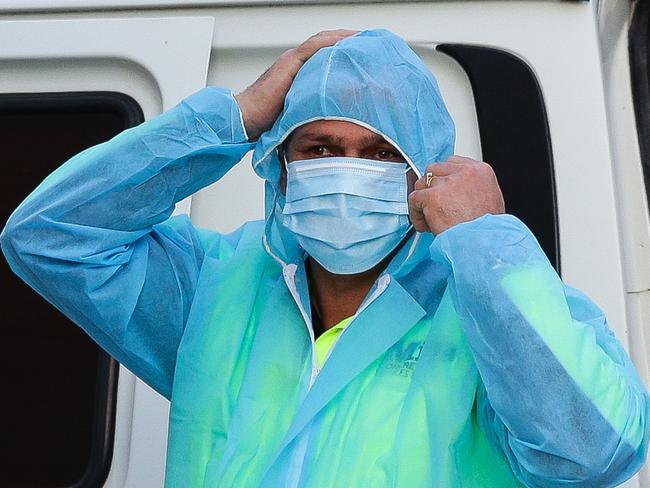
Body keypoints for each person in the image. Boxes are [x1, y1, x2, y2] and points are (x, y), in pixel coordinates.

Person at [1, 29, 648, 487]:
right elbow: (50, 234)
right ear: (278, 164)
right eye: (319, 148)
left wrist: (483, 239)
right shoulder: (216, 290)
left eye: (381, 153)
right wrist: (232, 118)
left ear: (424, 170)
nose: (347, 171)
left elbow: (590, 454)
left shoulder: (492, 310)